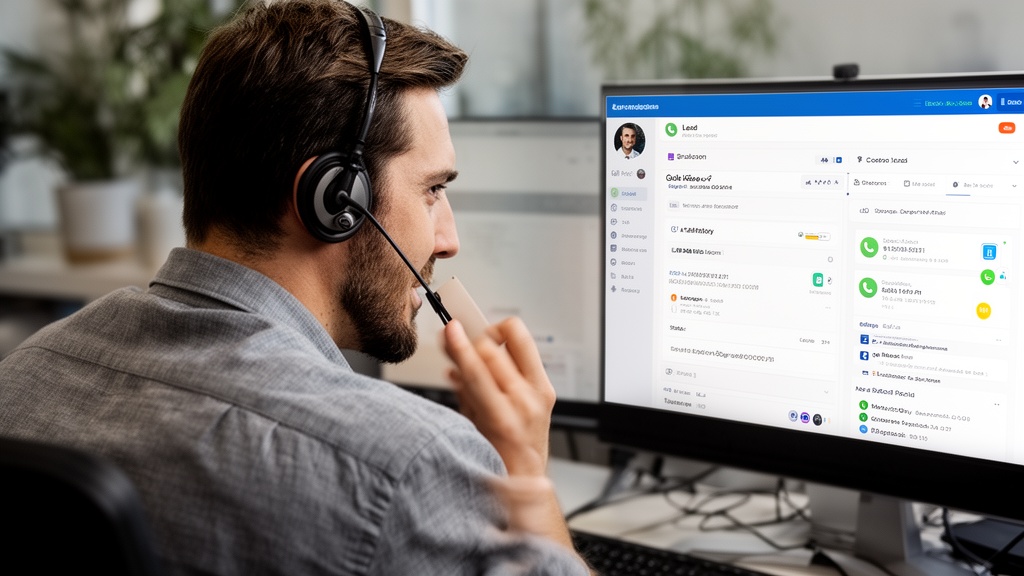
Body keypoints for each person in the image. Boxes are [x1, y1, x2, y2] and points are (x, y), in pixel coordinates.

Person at [0, 1, 589, 574]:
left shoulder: (23, 374)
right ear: (335, 200)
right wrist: (525, 478)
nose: (448, 240)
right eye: (432, 190)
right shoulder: (407, 468)